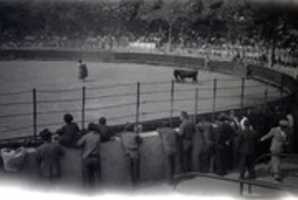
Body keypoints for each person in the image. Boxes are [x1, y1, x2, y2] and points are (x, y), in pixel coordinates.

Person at [77, 123, 101, 187]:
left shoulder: (86, 136)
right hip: (96, 158)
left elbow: (78, 144)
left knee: (88, 177)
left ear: (89, 129)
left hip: (87, 158)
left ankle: (89, 192)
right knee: (97, 177)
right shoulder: (98, 136)